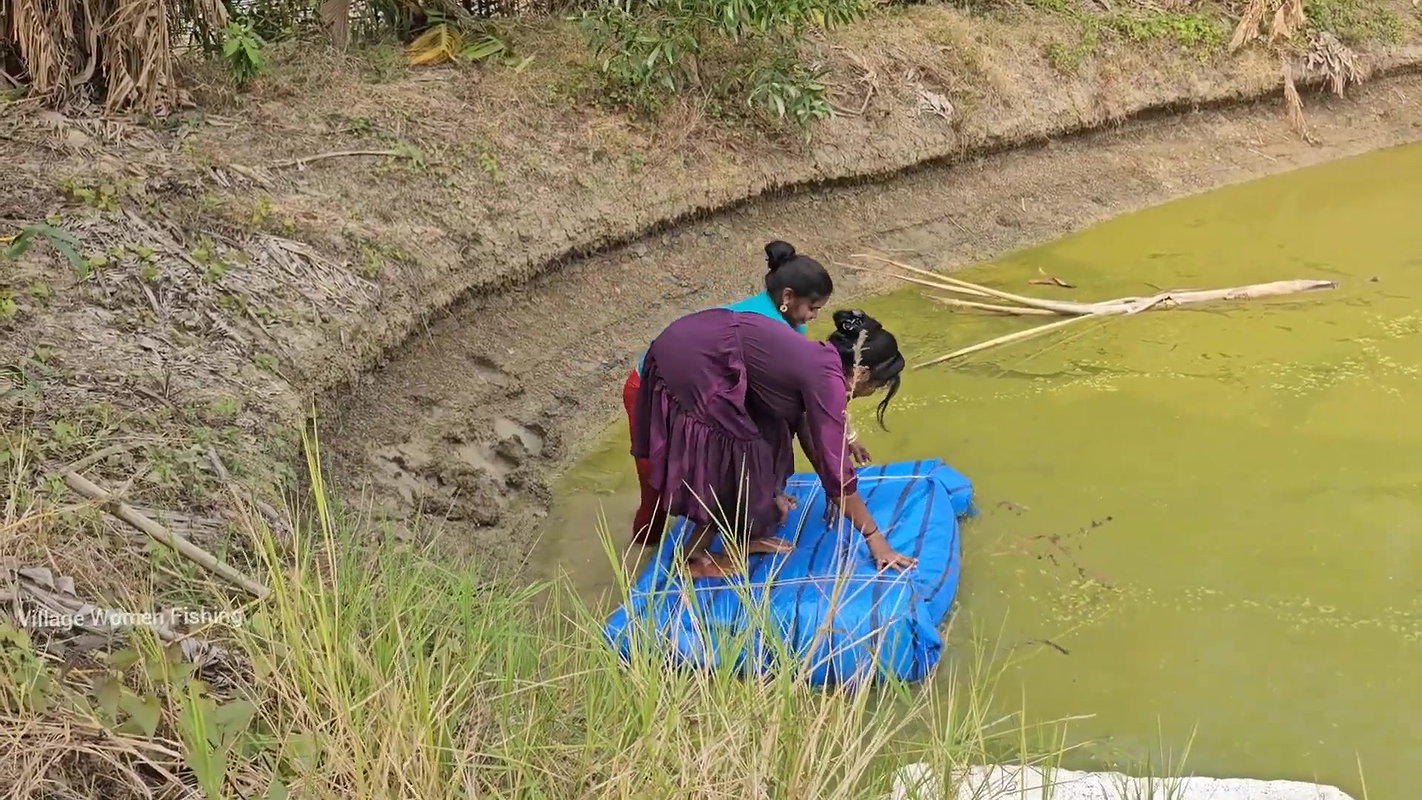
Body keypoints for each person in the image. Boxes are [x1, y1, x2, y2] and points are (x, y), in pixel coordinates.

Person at [630, 307, 916, 579]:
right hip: (692, 360)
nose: (871, 392)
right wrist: (874, 537)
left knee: (769, 435)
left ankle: (742, 536)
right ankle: (693, 558)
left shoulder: (822, 360)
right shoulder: (827, 380)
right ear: (863, 372)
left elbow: (812, 436)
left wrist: (833, 488)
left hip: (702, 343)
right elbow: (835, 466)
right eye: (876, 386)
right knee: (735, 455)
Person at [621, 240, 869, 544]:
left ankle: (739, 528)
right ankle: (641, 556)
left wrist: (844, 444)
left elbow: (797, 410)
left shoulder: (792, 323)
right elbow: (806, 419)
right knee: (657, 487)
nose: (814, 316)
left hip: (704, 385)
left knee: (749, 445)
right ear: (788, 297)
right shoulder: (765, 322)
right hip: (659, 386)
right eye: (813, 308)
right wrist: (835, 482)